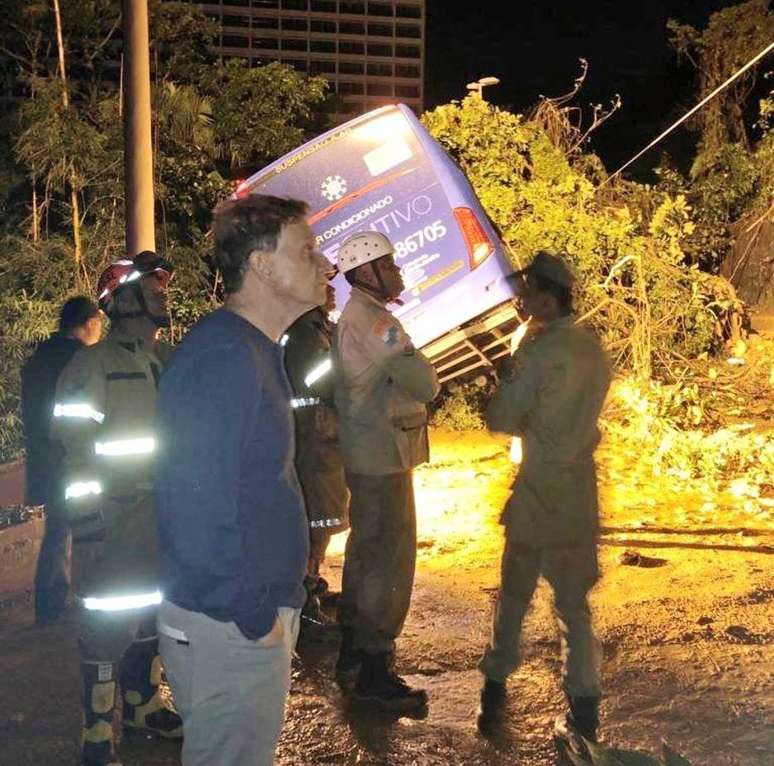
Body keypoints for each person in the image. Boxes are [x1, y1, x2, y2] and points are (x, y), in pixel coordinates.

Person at [155, 195, 329, 766]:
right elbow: (194, 505)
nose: (323, 264)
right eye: (306, 250)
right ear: (262, 266)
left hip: (243, 617)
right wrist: (250, 615)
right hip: (227, 623)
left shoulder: (254, 349)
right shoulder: (225, 354)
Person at [475, 251, 611, 744]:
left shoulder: (536, 351)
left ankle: (494, 690)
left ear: (549, 298)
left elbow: (501, 419)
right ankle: (586, 706)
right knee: (573, 605)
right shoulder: (593, 347)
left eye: (529, 293)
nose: (522, 300)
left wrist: (501, 385)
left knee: (514, 595)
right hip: (578, 490)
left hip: (538, 492)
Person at [52, 252, 182, 766]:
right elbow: (75, 451)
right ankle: (96, 727)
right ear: (122, 299)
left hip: (161, 520)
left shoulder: (167, 360)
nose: (161, 293)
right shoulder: (92, 365)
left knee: (153, 614)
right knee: (106, 624)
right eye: (151, 286)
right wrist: (87, 526)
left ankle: (141, 704)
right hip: (113, 520)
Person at [332, 231, 440, 713]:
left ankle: (353, 657)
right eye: (390, 264)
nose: (397, 271)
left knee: (366, 552)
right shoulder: (377, 324)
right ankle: (375, 672)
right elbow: (425, 382)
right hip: (383, 457)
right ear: (367, 271)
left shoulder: (355, 317)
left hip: (367, 453)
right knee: (388, 563)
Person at [21, 296, 103, 625]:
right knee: (81, 528)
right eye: (98, 321)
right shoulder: (81, 360)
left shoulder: (42, 356)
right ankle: (70, 600)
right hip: (73, 459)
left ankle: (50, 603)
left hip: (46, 458)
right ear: (88, 323)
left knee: (58, 529)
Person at [284, 281, 350, 631]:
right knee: (314, 520)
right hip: (311, 437)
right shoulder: (302, 335)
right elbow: (319, 379)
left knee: (323, 517)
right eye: (322, 285)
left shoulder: (318, 328)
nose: (331, 290)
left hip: (322, 435)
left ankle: (314, 585)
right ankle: (306, 599)